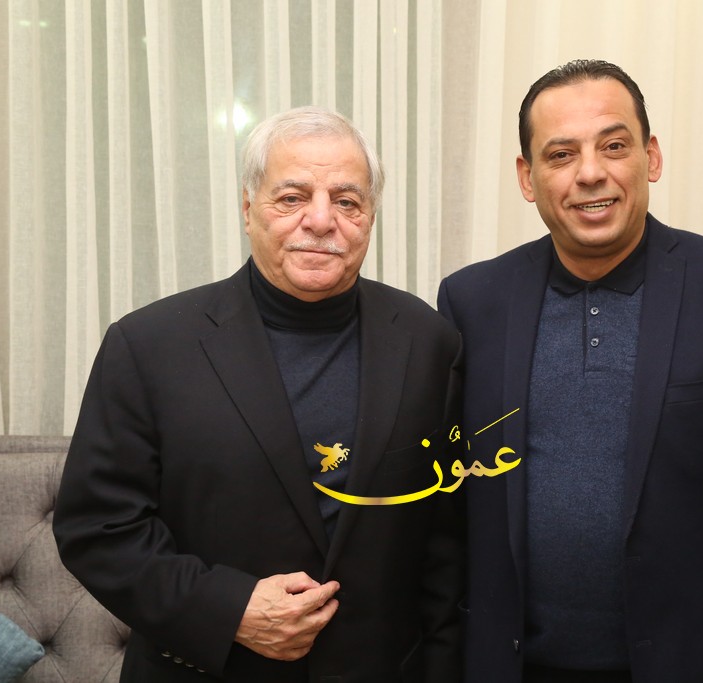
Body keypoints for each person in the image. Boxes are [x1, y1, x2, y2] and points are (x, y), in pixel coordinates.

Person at [437, 59, 703, 683]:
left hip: (697, 666)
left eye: (614, 146)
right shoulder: (472, 303)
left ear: (651, 157)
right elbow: (446, 514)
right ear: (527, 177)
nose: (590, 173)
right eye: (561, 154)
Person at [54, 106, 462, 682]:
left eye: (347, 201)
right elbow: (97, 529)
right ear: (249, 210)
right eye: (292, 198)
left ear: (370, 216)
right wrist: (227, 611)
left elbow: (448, 543)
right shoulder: (148, 346)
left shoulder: (429, 342)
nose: (320, 220)